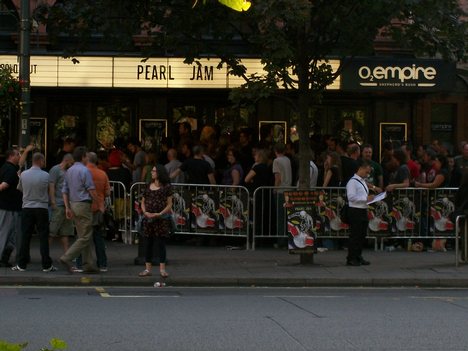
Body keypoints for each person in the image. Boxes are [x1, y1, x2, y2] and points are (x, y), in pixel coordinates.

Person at [12, 153, 56, 272]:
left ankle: (21, 264)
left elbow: (20, 188)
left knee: (25, 236)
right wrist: (52, 203)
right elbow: (50, 191)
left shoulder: (24, 174)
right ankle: (46, 265)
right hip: (42, 208)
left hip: (27, 207)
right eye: (43, 161)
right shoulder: (46, 175)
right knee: (43, 236)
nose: (44, 163)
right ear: (40, 161)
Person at [59, 146, 99, 274]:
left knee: (83, 234)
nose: (87, 158)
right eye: (86, 156)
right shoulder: (85, 171)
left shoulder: (69, 171)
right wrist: (98, 202)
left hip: (73, 204)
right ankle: (67, 257)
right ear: (83, 157)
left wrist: (67, 207)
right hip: (83, 205)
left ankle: (88, 264)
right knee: (86, 236)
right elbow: (91, 189)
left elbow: (64, 191)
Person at [138, 164, 173, 278]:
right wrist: (145, 212)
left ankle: (162, 270)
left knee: (161, 244)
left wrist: (160, 213)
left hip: (161, 219)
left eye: (154, 171)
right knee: (148, 243)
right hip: (148, 219)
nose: (152, 173)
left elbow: (169, 204)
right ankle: (147, 269)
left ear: (159, 173)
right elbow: (143, 201)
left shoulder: (167, 187)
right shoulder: (148, 185)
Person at [346, 159, 375, 266]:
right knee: (355, 235)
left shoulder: (362, 181)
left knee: (361, 234)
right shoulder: (352, 182)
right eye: (366, 172)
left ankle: (358, 255)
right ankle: (351, 257)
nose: (368, 174)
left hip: (362, 209)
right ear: (361, 168)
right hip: (355, 210)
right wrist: (366, 199)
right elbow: (351, 197)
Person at [86, 152, 111, 272]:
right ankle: (102, 263)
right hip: (98, 208)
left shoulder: (83, 172)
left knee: (83, 237)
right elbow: (107, 193)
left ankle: (81, 263)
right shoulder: (102, 174)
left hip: (85, 207)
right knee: (98, 237)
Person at [0, 148, 22, 267]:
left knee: (9, 234)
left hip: (10, 207)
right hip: (8, 207)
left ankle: (4, 258)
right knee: (5, 233)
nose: (19, 157)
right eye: (18, 155)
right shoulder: (10, 170)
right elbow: (3, 186)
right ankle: (1, 258)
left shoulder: (7, 167)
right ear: (11, 156)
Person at [48, 153, 75, 253]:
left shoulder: (68, 171)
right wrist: (53, 201)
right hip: (58, 204)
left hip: (67, 205)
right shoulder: (56, 170)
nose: (72, 165)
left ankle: (66, 254)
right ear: (67, 161)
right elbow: (51, 185)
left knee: (65, 231)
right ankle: (45, 254)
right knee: (52, 230)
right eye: (71, 163)